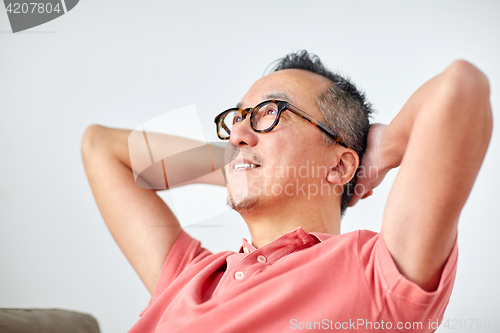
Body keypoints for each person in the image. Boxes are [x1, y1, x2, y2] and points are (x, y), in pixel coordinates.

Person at [81, 51, 492, 332]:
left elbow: (461, 86)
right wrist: (240, 162)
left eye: (269, 113)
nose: (238, 132)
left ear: (340, 164)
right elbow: (99, 147)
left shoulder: (377, 275)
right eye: (237, 118)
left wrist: (384, 151)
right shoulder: (189, 277)